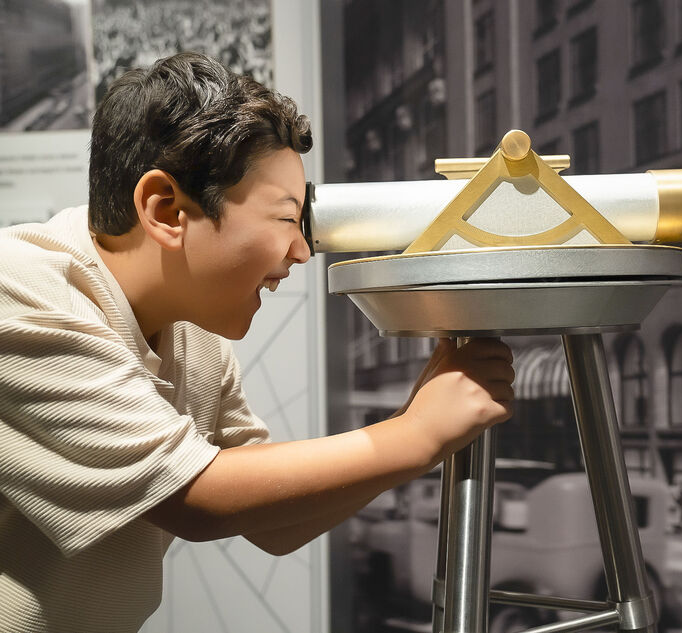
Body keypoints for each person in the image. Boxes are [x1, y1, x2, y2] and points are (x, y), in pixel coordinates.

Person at [0, 52, 515, 633]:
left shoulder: (194, 332)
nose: (301, 252)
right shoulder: (20, 289)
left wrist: (417, 419)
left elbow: (273, 522)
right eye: (285, 220)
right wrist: (417, 434)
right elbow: (198, 497)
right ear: (166, 210)